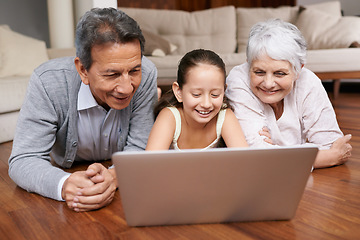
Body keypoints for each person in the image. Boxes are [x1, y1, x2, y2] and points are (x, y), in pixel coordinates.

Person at [8, 8, 158, 212]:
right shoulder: (47, 82)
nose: (126, 87)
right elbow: (24, 159)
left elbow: (141, 146)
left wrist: (114, 176)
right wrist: (65, 184)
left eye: (134, 71)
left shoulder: (147, 74)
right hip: (68, 171)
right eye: (112, 74)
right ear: (82, 70)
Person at [226, 19, 352, 169]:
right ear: (248, 65)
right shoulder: (239, 79)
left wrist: (275, 154)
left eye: (279, 73)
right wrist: (326, 158)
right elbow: (257, 156)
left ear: (298, 70)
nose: (268, 83)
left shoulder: (308, 80)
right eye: (259, 72)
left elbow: (329, 143)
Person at [146, 49, 248, 150]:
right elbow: (150, 163)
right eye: (196, 94)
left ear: (224, 91)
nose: (206, 104)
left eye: (215, 95)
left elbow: (245, 160)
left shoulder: (225, 116)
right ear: (179, 92)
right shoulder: (170, 116)